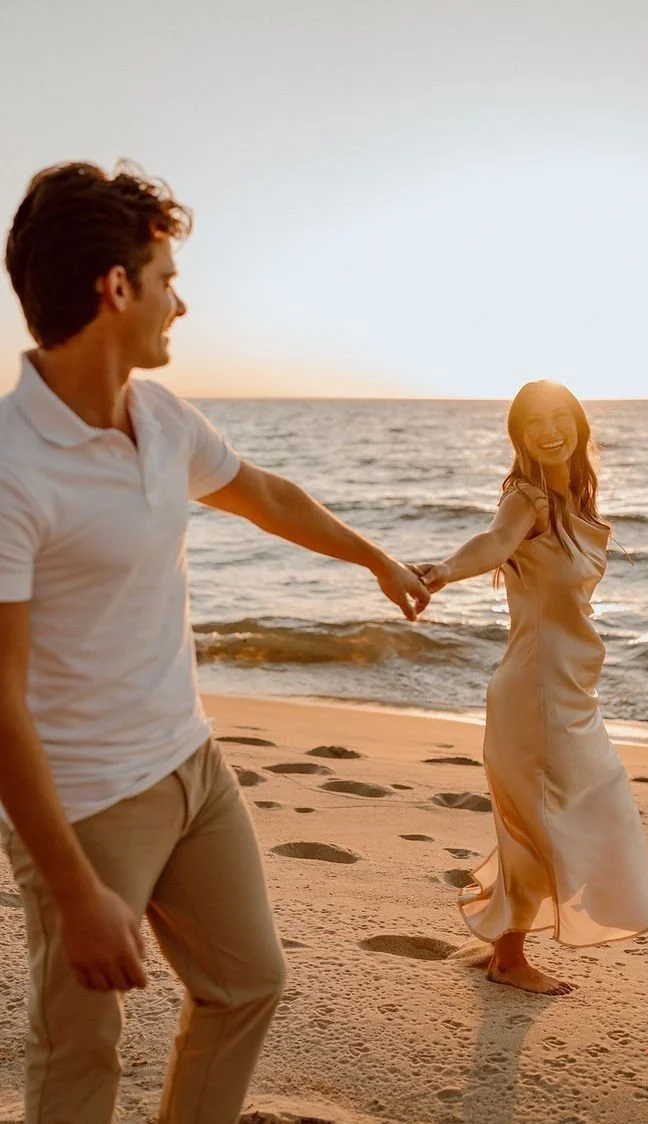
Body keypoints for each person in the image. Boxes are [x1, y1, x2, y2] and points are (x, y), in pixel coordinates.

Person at [0, 161, 430, 1124]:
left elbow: (266, 494)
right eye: (166, 280)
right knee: (80, 1052)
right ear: (117, 288)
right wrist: (72, 889)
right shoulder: (11, 468)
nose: (180, 306)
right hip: (85, 801)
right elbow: (0, 697)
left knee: (248, 983)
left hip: (193, 766)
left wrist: (375, 558)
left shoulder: (160, 418)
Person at [413, 380, 648, 996]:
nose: (550, 430)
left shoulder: (574, 503)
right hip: (537, 693)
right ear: (519, 436)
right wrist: (444, 570)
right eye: (534, 422)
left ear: (578, 424)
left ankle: (505, 946)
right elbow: (494, 543)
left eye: (560, 417)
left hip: (571, 689)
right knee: (549, 822)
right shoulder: (527, 501)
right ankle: (509, 956)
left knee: (557, 815)